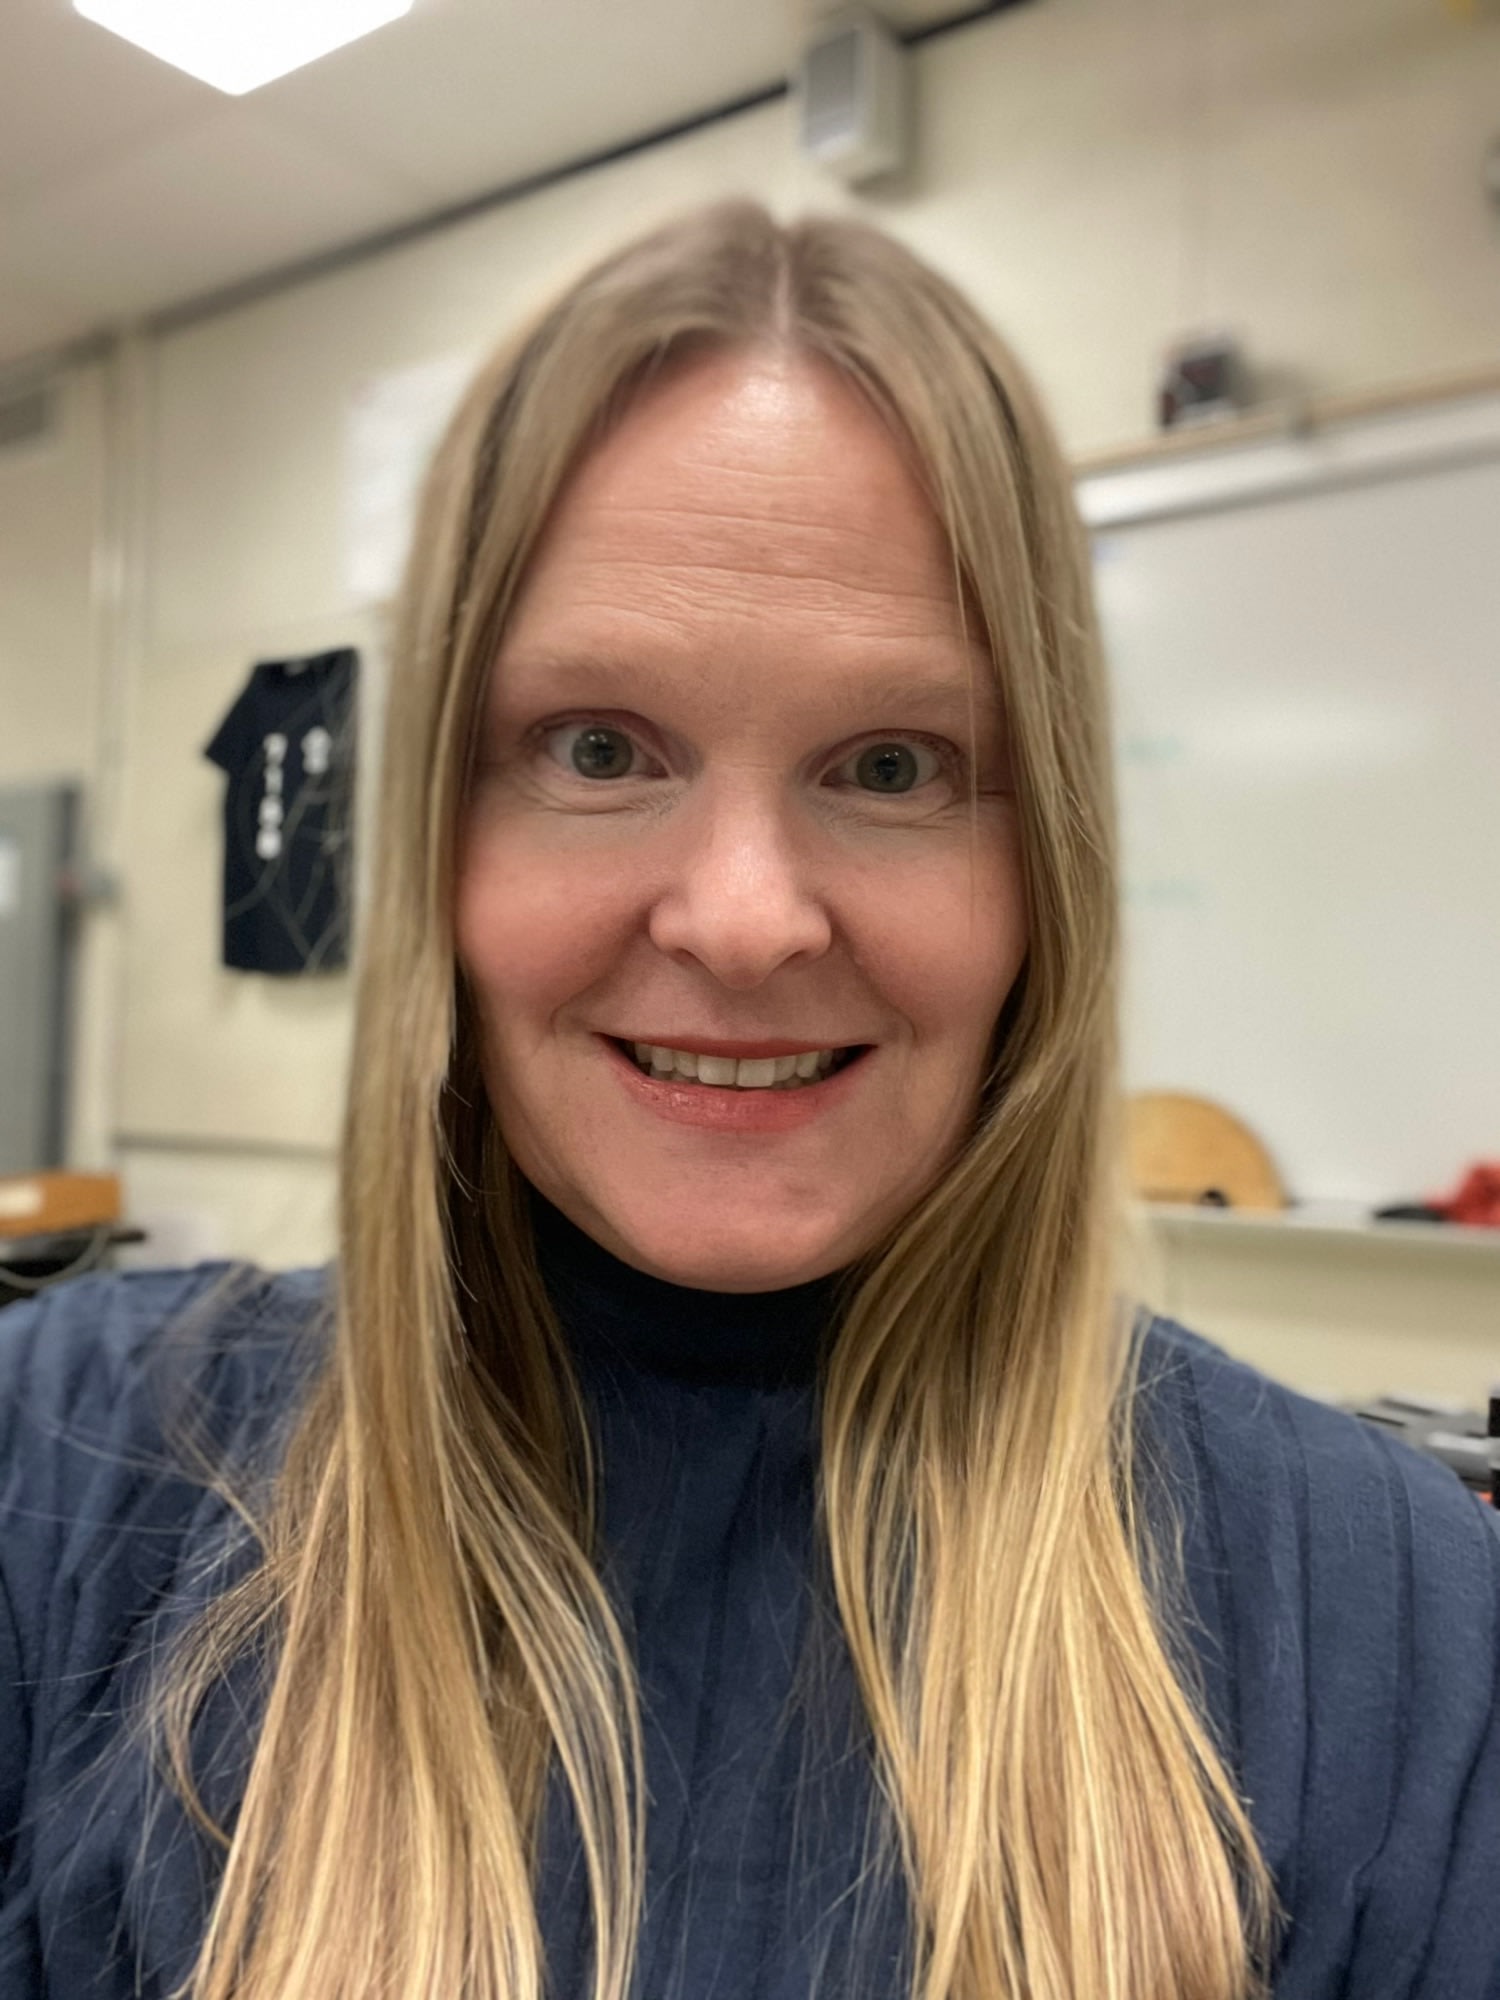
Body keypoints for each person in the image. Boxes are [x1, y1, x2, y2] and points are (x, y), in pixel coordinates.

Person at [1, 201, 1497, 2000]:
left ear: (1046, 872)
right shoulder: (65, 1476)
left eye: (894, 765)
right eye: (597, 748)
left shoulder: (1393, 1618)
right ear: (439, 845)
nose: (742, 919)